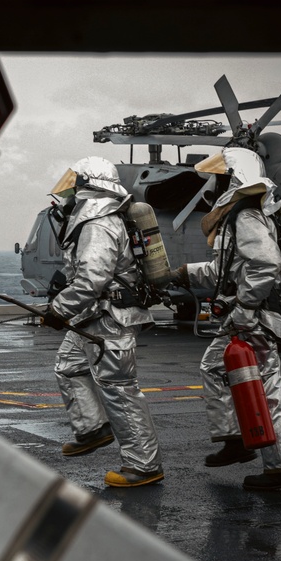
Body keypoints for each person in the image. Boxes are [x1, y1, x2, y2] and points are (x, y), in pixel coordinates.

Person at [173, 146, 281, 492]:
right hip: (259, 316)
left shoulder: (245, 217)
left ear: (235, 178)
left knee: (224, 371)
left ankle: (248, 448)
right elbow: (224, 271)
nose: (213, 186)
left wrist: (244, 310)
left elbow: (266, 265)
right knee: (264, 386)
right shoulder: (245, 216)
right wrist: (183, 274)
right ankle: (272, 461)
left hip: (254, 318)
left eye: (220, 178)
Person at [42, 156, 164, 488]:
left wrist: (58, 309)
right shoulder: (96, 218)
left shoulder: (98, 222)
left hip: (108, 320)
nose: (71, 188)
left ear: (89, 185)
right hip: (90, 317)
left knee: (120, 390)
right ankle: (92, 429)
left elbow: (91, 279)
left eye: (76, 181)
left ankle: (143, 465)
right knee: (68, 365)